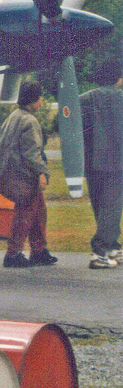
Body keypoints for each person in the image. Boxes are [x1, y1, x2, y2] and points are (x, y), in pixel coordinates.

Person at [0, 80, 57, 268]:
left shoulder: (13, 116)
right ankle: (13, 253)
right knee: (25, 213)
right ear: (34, 100)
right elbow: (32, 153)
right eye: (40, 98)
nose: (41, 101)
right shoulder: (30, 121)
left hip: (9, 173)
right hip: (24, 176)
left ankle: (39, 250)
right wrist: (42, 173)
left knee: (39, 210)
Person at [80, 57, 123, 269]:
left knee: (100, 206)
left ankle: (113, 246)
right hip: (116, 163)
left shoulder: (84, 99)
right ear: (118, 79)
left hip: (91, 162)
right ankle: (99, 252)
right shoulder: (120, 98)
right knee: (112, 207)